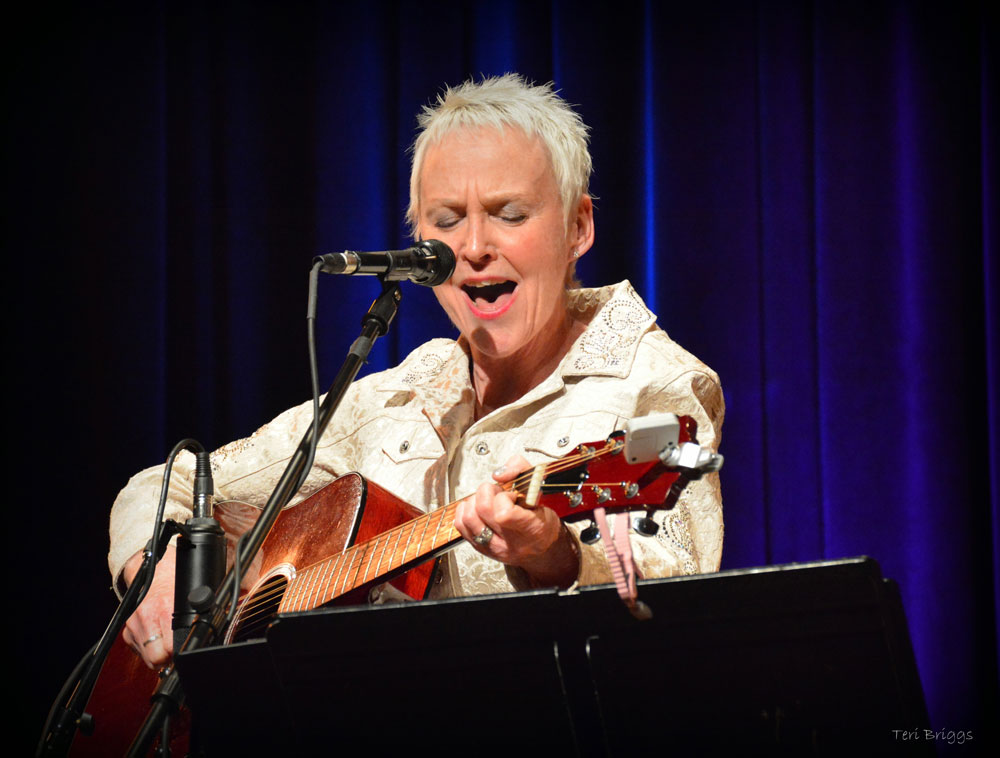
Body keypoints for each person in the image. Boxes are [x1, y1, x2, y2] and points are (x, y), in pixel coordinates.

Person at [110, 74, 725, 670]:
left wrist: (559, 556)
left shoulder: (657, 385)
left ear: (578, 227)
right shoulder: (393, 397)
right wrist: (155, 563)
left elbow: (671, 595)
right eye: (448, 220)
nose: (475, 246)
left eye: (510, 213)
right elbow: (168, 484)